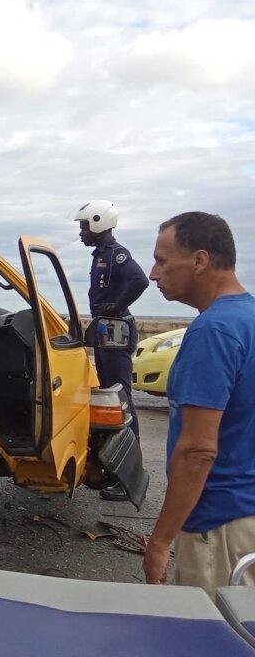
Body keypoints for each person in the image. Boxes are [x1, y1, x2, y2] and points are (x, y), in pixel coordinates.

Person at [143, 212, 255, 597]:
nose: (154, 274)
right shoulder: (249, 318)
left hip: (218, 526)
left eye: (161, 260)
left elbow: (198, 451)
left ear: (200, 260)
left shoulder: (214, 330)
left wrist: (160, 541)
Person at [74, 199, 149, 501]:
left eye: (84, 226)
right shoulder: (100, 256)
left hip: (116, 332)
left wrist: (116, 308)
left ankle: (130, 473)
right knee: (111, 397)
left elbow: (139, 281)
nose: (81, 232)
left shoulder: (117, 256)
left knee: (122, 400)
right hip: (108, 332)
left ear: (97, 223)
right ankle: (115, 468)